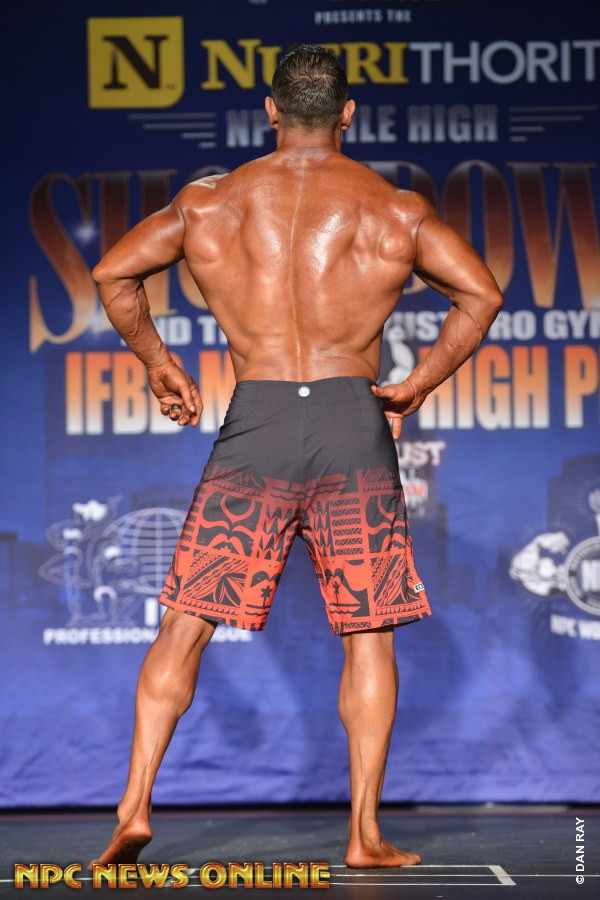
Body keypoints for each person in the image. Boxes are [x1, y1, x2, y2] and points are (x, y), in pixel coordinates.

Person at [89, 44, 503, 870]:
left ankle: (133, 808)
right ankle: (363, 835)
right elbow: (482, 293)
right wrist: (418, 382)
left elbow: (112, 273)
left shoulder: (208, 204)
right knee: (369, 632)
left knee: (186, 621)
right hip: (353, 424)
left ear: (270, 111)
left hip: (260, 422)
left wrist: (160, 364)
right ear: (349, 113)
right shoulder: (394, 209)